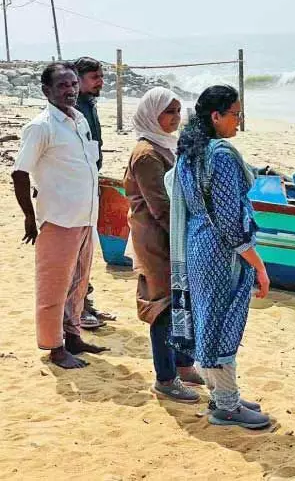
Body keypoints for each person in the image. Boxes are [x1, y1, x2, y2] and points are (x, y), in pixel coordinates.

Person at [169, 85, 271, 428]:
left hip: (197, 244)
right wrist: (259, 265)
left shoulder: (189, 151)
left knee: (208, 321)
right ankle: (227, 406)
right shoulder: (222, 155)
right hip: (220, 252)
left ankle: (222, 395)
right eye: (235, 115)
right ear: (216, 116)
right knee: (223, 325)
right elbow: (230, 222)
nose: (238, 123)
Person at [11, 63, 108, 369]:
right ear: (46, 91)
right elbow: (19, 173)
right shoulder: (41, 127)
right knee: (53, 287)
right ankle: (55, 348)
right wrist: (29, 216)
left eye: (72, 84)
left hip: (85, 216)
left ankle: (74, 335)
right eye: (63, 85)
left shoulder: (79, 119)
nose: (70, 90)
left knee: (79, 283)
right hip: (58, 219)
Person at [124, 87, 204, 402]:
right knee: (163, 308)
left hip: (173, 235)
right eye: (168, 112)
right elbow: (161, 207)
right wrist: (191, 238)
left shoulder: (165, 145)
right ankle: (166, 378)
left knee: (183, 301)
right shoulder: (146, 154)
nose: (175, 118)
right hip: (158, 240)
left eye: (177, 111)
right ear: (151, 114)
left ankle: (184, 365)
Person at [72, 56, 119, 329]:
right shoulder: (74, 108)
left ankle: (84, 304)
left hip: (89, 183)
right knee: (76, 252)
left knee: (86, 250)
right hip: (76, 188)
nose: (100, 82)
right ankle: (78, 309)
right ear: (77, 80)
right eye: (95, 77)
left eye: (101, 76)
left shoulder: (88, 104)